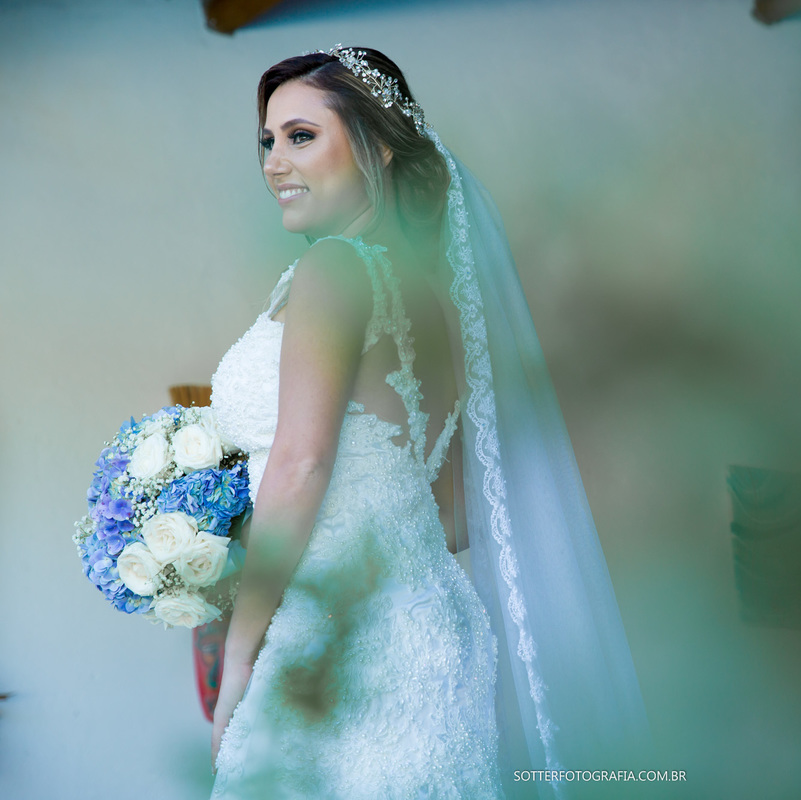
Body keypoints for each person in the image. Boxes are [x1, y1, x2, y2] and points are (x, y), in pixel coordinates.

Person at [207, 46, 652, 799]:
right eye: (268, 140)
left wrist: (239, 657)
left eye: (302, 136)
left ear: (378, 144)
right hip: (438, 636)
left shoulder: (333, 270)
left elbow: (299, 465)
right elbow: (456, 514)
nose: (275, 162)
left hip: (341, 643)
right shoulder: (444, 304)